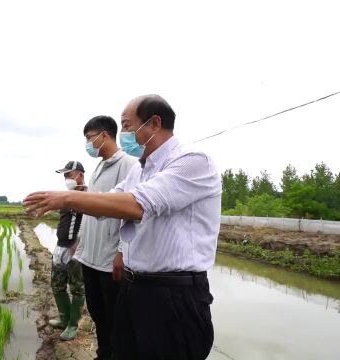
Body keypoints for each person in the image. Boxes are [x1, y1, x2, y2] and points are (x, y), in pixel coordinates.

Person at [24, 94, 222, 360]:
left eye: (128, 126)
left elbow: (138, 205)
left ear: (154, 123)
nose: (124, 133)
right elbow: (108, 203)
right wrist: (72, 198)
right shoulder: (139, 171)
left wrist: (68, 197)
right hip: (135, 288)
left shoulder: (193, 161)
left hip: (174, 295)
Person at [74, 115, 136, 359]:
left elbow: (131, 212)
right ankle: (103, 354)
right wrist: (81, 244)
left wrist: (122, 252)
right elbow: (94, 208)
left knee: (114, 318)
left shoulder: (128, 165)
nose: (88, 144)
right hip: (90, 256)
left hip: (110, 260)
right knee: (98, 314)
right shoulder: (99, 167)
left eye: (90, 138)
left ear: (105, 135)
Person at [49, 160, 87, 341]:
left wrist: (78, 244)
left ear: (80, 174)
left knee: (77, 288)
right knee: (57, 285)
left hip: (76, 248)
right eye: (64, 176)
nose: (66, 179)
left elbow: (89, 222)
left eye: (69, 175)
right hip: (61, 245)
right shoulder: (67, 196)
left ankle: (73, 325)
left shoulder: (89, 195)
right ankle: (64, 319)